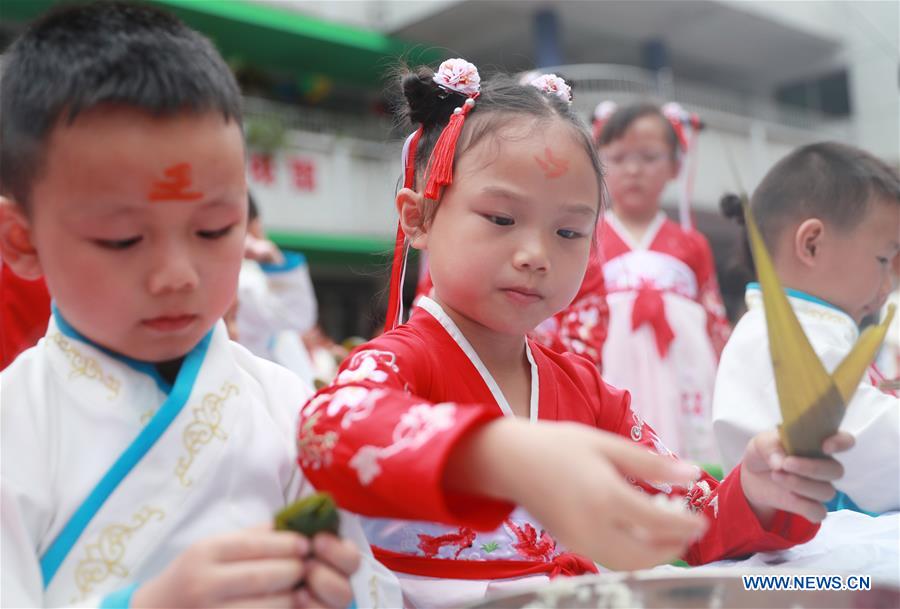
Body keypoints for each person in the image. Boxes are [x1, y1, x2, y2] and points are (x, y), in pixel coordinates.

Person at [295, 61, 852, 608]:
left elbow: (687, 519)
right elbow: (328, 428)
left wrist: (758, 492)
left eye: (568, 231)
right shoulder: (398, 363)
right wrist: (499, 452)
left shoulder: (584, 390)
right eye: (501, 219)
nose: (536, 255)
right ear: (418, 218)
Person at [0, 4, 401, 607]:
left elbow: (372, 585)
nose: (178, 276)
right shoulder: (15, 426)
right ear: (22, 241)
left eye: (214, 230)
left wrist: (334, 592)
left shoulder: (287, 403)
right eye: (123, 240)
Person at [713, 142, 900, 515]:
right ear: (811, 244)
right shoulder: (783, 337)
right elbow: (865, 442)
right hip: (819, 556)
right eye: (883, 259)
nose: (888, 282)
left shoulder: (808, 330)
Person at [584, 102, 731, 462]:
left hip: (684, 369)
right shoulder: (585, 237)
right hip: (611, 366)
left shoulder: (692, 243)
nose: (633, 170)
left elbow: (713, 318)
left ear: (674, 166)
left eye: (649, 157)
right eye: (617, 158)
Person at [235, 193, 319, 385]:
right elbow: (298, 315)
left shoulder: (249, 276)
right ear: (255, 225)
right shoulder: (245, 280)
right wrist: (271, 257)